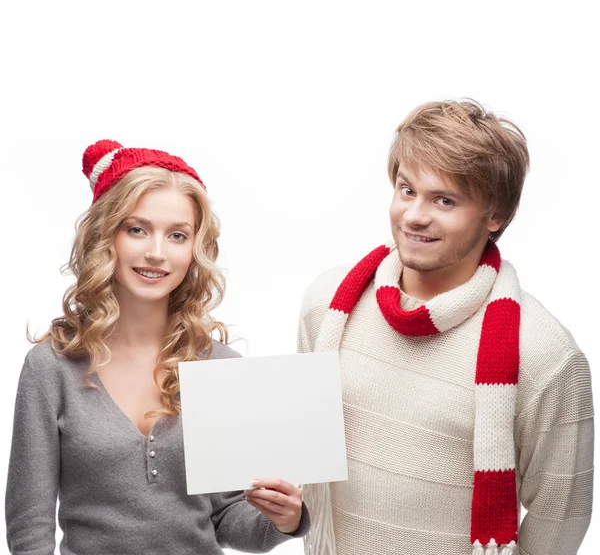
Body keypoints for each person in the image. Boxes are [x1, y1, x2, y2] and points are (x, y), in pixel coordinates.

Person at [298, 100, 593, 555]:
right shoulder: (327, 305)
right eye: (406, 189)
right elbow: (301, 448)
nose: (415, 215)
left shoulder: (544, 353)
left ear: (494, 216)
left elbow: (561, 513)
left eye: (445, 200)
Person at [6, 140, 310, 554]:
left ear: (194, 251)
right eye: (137, 229)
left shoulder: (220, 368)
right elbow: (30, 528)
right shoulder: (51, 367)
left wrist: (284, 519)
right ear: (105, 236)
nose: (156, 253)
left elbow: (228, 520)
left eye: (177, 236)